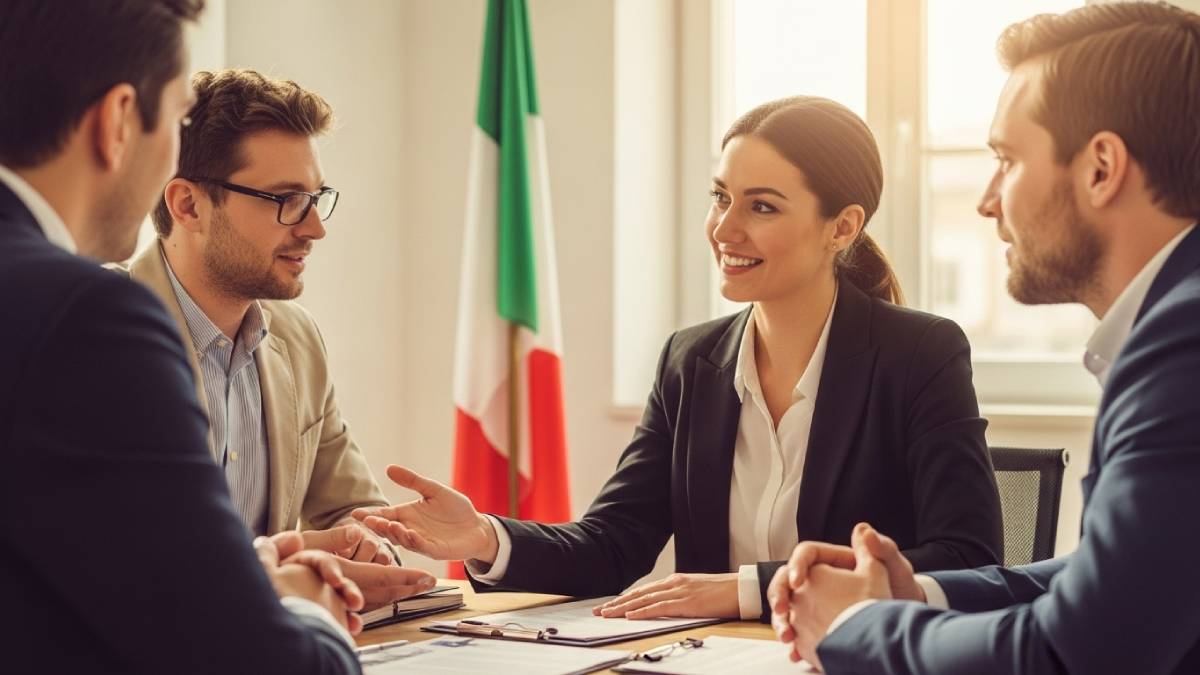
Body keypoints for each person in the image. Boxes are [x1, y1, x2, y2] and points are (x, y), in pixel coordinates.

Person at [354, 96, 1003, 622]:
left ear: (842, 226)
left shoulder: (920, 353)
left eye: (762, 206)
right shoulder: (691, 361)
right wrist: (485, 538)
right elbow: (613, 543)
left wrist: (746, 589)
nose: (725, 229)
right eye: (721, 197)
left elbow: (968, 557)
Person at [768, 3, 1200, 673]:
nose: (987, 199)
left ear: (1101, 168)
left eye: (1005, 159)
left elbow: (1073, 652)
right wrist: (916, 592)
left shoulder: (1182, 341)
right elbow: (1107, 581)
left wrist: (857, 626)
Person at [0, 1, 369, 671]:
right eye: (172, 118)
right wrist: (305, 601)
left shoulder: (294, 339)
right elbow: (248, 653)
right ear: (118, 122)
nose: (314, 227)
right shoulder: (91, 317)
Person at [126, 68, 431, 609]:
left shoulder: (296, 337)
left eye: (317, 197)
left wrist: (368, 548)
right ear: (188, 206)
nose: (315, 227)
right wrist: (283, 559)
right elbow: (107, 560)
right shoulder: (95, 332)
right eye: (286, 199)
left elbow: (353, 511)